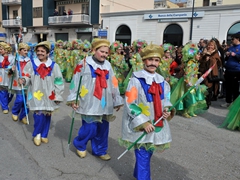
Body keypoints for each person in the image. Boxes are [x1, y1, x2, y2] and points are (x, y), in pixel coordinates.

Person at [120, 43, 175, 180]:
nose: (153, 63)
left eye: (156, 60)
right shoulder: (136, 80)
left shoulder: (162, 81)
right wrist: (143, 122)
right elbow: (130, 103)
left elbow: (166, 100)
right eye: (150, 60)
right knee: (143, 154)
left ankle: (138, 174)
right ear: (144, 61)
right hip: (142, 126)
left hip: (156, 124)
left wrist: (167, 110)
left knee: (148, 152)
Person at [67, 38, 123, 160]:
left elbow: (113, 82)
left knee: (103, 128)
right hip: (88, 101)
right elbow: (75, 81)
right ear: (94, 50)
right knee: (90, 128)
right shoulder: (84, 63)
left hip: (104, 102)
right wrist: (73, 99)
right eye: (101, 51)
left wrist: (117, 99)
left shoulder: (108, 65)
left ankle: (100, 150)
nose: (104, 54)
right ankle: (80, 144)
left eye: (106, 52)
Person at [18, 41, 64, 146]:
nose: (40, 53)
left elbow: (59, 81)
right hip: (36, 94)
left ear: (48, 53)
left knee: (47, 115)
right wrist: (23, 80)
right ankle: (37, 134)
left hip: (50, 95)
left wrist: (58, 95)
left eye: (42, 51)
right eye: (38, 51)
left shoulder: (54, 66)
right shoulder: (31, 63)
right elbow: (26, 75)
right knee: (38, 115)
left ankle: (44, 134)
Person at [8, 43, 30, 124]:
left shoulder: (29, 60)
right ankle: (15, 112)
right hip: (18, 82)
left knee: (28, 101)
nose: (26, 52)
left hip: (28, 82)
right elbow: (8, 69)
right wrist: (12, 69)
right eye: (24, 50)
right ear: (19, 51)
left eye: (27, 50)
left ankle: (23, 116)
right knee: (20, 99)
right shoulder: (15, 60)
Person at [221, 32, 240, 107]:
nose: (231, 40)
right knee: (228, 86)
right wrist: (227, 55)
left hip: (237, 70)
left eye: (233, 39)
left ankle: (235, 103)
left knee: (235, 87)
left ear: (238, 39)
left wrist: (235, 55)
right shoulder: (231, 47)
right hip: (228, 70)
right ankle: (228, 101)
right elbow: (226, 58)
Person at [0, 42, 15, 114]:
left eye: (1, 49)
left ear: (6, 50)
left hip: (9, 77)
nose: (0, 50)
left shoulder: (12, 58)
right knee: (2, 92)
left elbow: (13, 66)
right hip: (1, 77)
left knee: (11, 93)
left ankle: (6, 102)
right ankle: (4, 107)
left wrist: (11, 68)